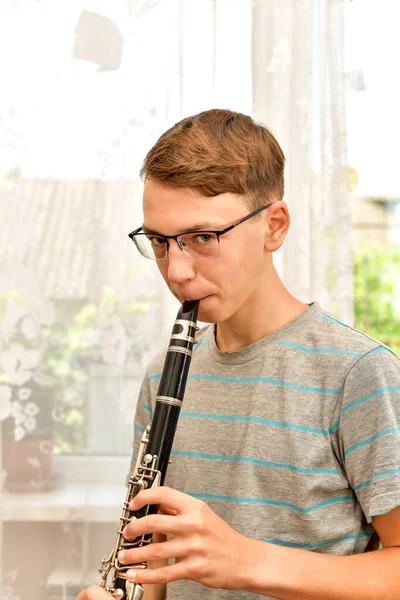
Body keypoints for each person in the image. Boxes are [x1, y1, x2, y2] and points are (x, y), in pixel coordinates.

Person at [79, 109, 400, 600]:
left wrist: (246, 560)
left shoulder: (356, 374)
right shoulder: (161, 377)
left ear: (274, 226)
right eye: (161, 243)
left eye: (202, 238)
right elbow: (159, 559)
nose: (178, 271)